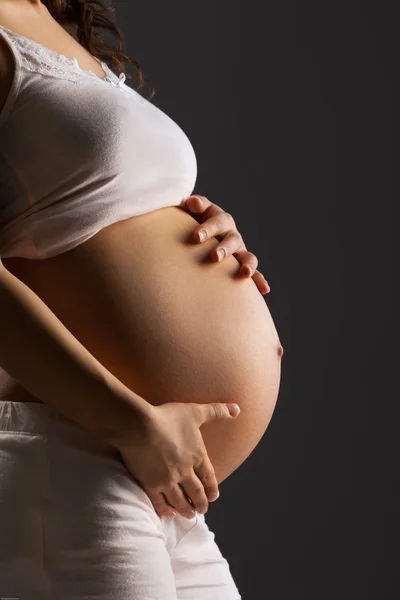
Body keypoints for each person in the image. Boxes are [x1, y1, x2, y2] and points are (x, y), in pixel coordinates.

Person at [0, 1, 283, 598]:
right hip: (79, 451)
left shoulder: (47, 16)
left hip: (156, 481)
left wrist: (198, 220)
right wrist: (132, 423)